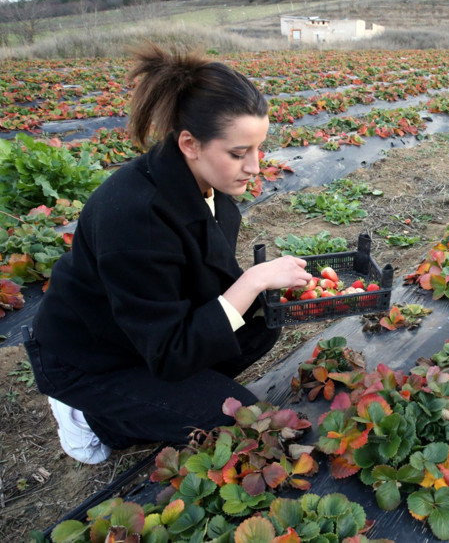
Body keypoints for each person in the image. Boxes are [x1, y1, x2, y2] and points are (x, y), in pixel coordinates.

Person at [24, 43, 313, 464]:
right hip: (93, 357)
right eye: (238, 153)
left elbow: (199, 284)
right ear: (190, 144)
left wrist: (271, 290)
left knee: (263, 322)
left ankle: (165, 397)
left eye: (257, 148)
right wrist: (252, 280)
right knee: (240, 425)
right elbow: (169, 350)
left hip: (145, 334)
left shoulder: (206, 187)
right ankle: (90, 417)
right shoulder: (135, 217)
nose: (254, 166)